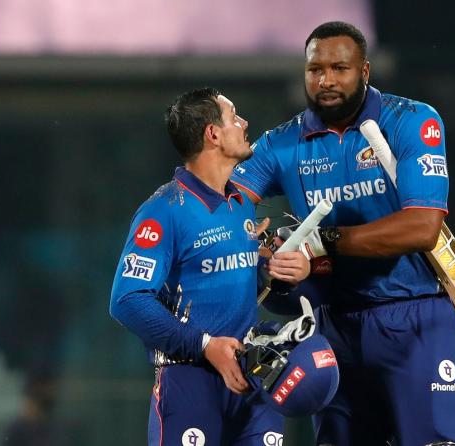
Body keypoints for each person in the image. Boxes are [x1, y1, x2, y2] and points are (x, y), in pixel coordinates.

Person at [231, 22, 455, 446]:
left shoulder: (412, 121)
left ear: (364, 71)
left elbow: (423, 227)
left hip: (417, 318)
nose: (325, 81)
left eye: (339, 68)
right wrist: (253, 244)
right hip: (334, 329)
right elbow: (225, 201)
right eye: (315, 70)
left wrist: (323, 241)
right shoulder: (283, 143)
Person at [109, 87, 310, 446]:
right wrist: (204, 346)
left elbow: (239, 285)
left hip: (251, 378)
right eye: (234, 117)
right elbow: (127, 301)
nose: (244, 123)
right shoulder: (164, 210)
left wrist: (278, 274)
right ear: (212, 134)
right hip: (189, 382)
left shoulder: (242, 204)